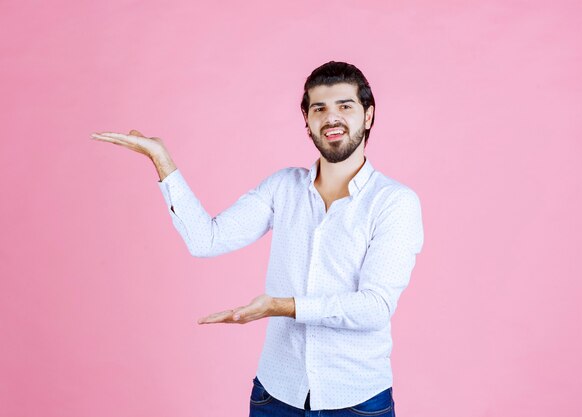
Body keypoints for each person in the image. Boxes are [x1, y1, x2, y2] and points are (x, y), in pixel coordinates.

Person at [91, 61, 424, 416]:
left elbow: (374, 308)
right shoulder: (283, 187)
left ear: (368, 116)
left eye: (345, 106)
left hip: (356, 400)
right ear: (307, 122)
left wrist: (280, 306)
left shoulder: (394, 202)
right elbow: (207, 240)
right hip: (276, 395)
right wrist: (162, 161)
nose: (332, 117)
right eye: (319, 108)